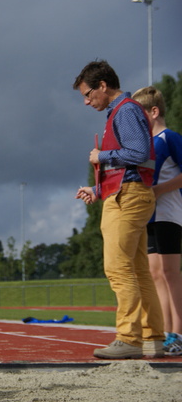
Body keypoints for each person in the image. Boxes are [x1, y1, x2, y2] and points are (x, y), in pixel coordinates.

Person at [73, 60, 165, 359]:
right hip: (131, 193)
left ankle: (129, 339)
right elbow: (132, 166)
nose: (87, 102)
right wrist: (98, 190)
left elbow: (138, 153)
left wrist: (101, 155)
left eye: (88, 94)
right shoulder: (124, 111)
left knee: (119, 269)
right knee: (138, 271)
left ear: (103, 86)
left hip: (128, 198)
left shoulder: (124, 110)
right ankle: (152, 338)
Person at [133, 86, 182, 356]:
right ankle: (165, 333)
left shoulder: (169, 138)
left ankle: (179, 333)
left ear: (154, 112)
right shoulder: (147, 146)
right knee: (155, 275)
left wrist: (159, 190)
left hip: (168, 214)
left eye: (141, 116)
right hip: (150, 216)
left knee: (170, 274)